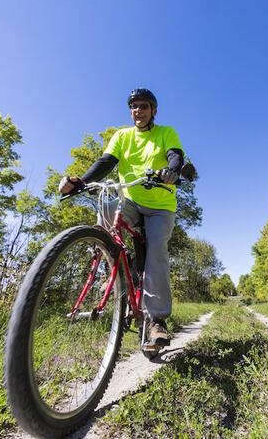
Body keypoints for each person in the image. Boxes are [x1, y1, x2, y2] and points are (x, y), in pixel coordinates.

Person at [59, 88, 183, 348]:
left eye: (144, 106)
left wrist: (172, 171)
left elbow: (175, 156)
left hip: (160, 206)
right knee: (106, 208)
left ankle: (157, 320)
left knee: (156, 250)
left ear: (154, 111)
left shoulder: (165, 132)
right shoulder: (122, 136)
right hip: (132, 201)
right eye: (134, 106)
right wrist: (81, 181)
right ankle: (111, 269)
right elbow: (106, 162)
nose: (138, 111)